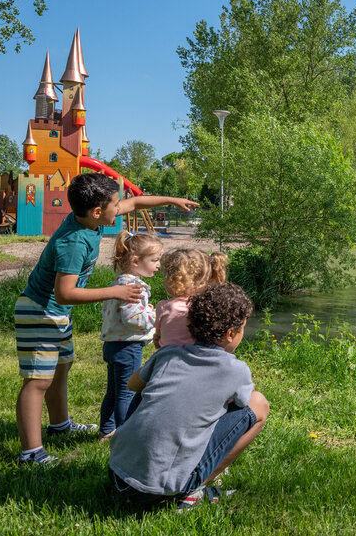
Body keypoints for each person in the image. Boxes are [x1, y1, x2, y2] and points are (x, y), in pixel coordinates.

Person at [14, 172, 198, 466]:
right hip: (40, 310)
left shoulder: (92, 218)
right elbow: (64, 293)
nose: (120, 208)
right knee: (37, 381)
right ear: (98, 212)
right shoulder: (73, 243)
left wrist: (172, 200)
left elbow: (136, 201)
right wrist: (115, 291)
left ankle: (59, 424)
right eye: (115, 204)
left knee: (61, 368)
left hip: (55, 313)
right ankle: (31, 453)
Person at [108, 283, 269, 511]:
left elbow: (132, 384)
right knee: (259, 404)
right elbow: (245, 404)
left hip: (117, 475)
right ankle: (195, 487)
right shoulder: (236, 369)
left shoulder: (168, 354)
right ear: (230, 333)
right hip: (157, 492)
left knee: (146, 386)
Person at [98, 231, 163, 441]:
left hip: (112, 344)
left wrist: (144, 311)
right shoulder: (136, 288)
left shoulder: (117, 283)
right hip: (128, 347)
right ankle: (124, 436)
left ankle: (107, 430)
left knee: (113, 391)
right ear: (136, 261)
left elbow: (122, 314)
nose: (158, 265)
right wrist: (153, 315)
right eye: (154, 260)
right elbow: (133, 320)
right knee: (126, 392)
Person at [152, 248, 209, 349]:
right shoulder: (204, 307)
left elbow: (158, 337)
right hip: (194, 357)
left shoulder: (163, 306)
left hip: (167, 357)